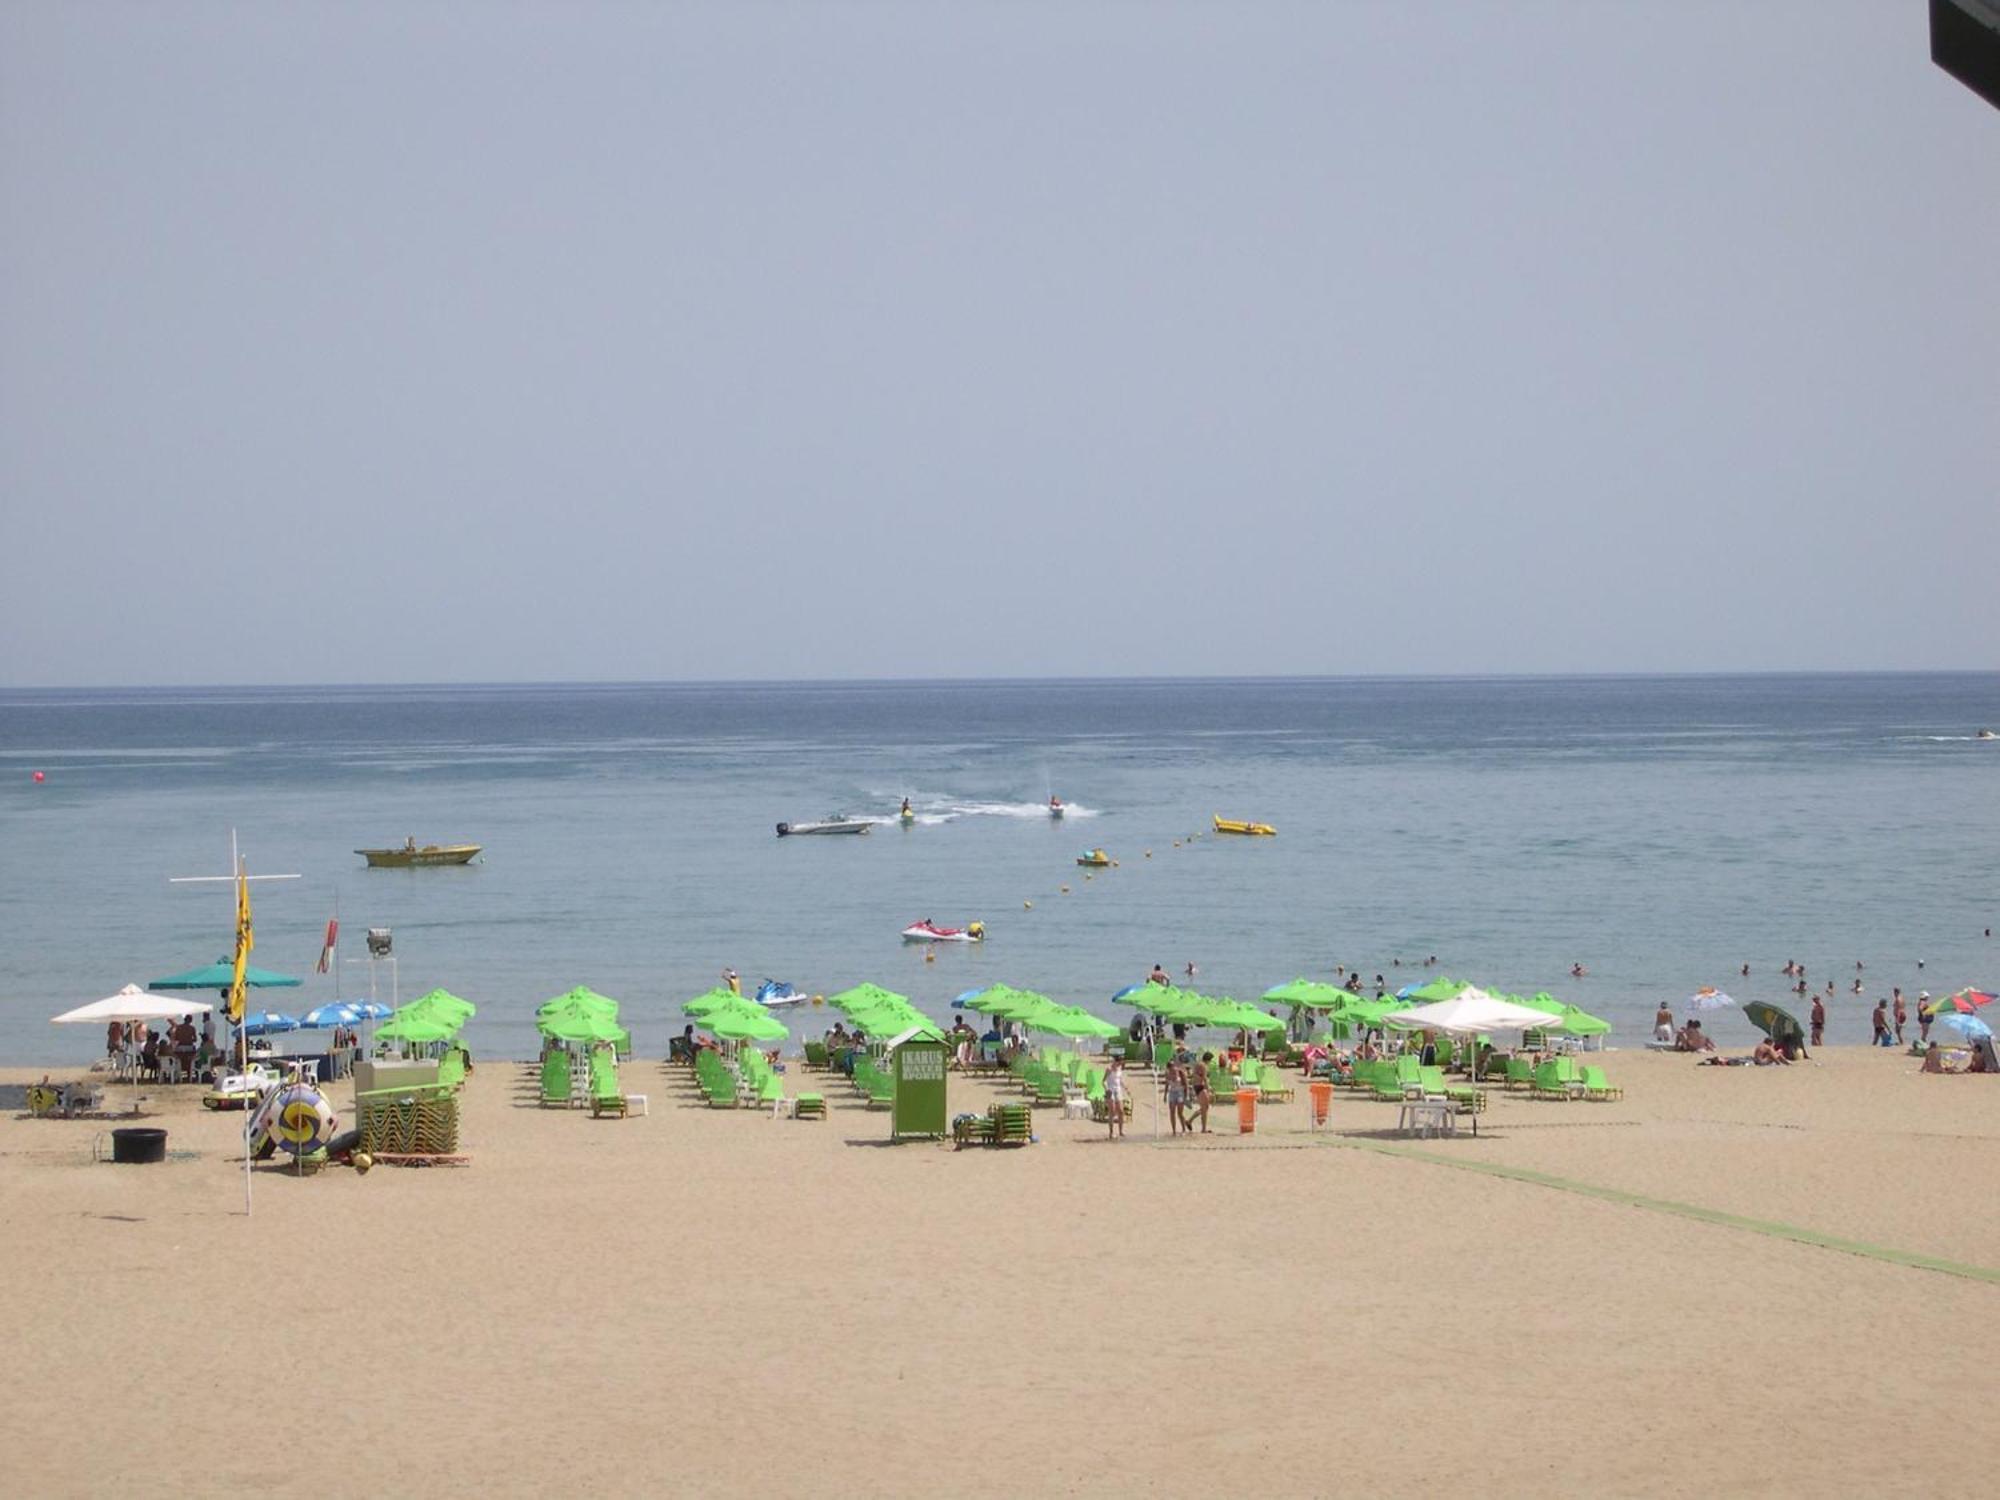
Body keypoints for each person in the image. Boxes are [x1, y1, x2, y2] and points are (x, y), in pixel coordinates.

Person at [1103, 1057, 1126, 1139]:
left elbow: (1120, 1080)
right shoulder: (1109, 1069)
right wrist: (1106, 1089)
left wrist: (1125, 1088)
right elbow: (1104, 1081)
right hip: (1110, 1090)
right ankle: (1111, 1132)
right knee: (1112, 1111)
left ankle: (1121, 1131)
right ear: (1115, 1062)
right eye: (1119, 1063)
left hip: (1118, 1090)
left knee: (1121, 1111)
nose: (1120, 1065)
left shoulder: (1120, 1069)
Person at [1192, 1052, 1214, 1133]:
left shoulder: (1198, 1064)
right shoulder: (1204, 1066)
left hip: (1196, 1086)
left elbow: (1194, 1075)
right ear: (1208, 1059)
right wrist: (1208, 1090)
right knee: (1205, 1108)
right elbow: (1205, 1078)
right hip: (1201, 1087)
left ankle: (1190, 1121)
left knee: (1205, 1108)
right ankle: (1203, 1129)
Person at [1164, 1058, 1188, 1135]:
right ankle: (1174, 1131)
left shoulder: (1180, 1072)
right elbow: (1167, 1085)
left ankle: (1183, 1129)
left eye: (1173, 1067)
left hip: (1180, 1092)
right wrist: (1165, 1095)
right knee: (1172, 1112)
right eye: (1170, 1068)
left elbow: (1186, 1084)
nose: (1172, 1069)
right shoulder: (1167, 1074)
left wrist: (1186, 1096)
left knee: (1180, 1113)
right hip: (1172, 1093)